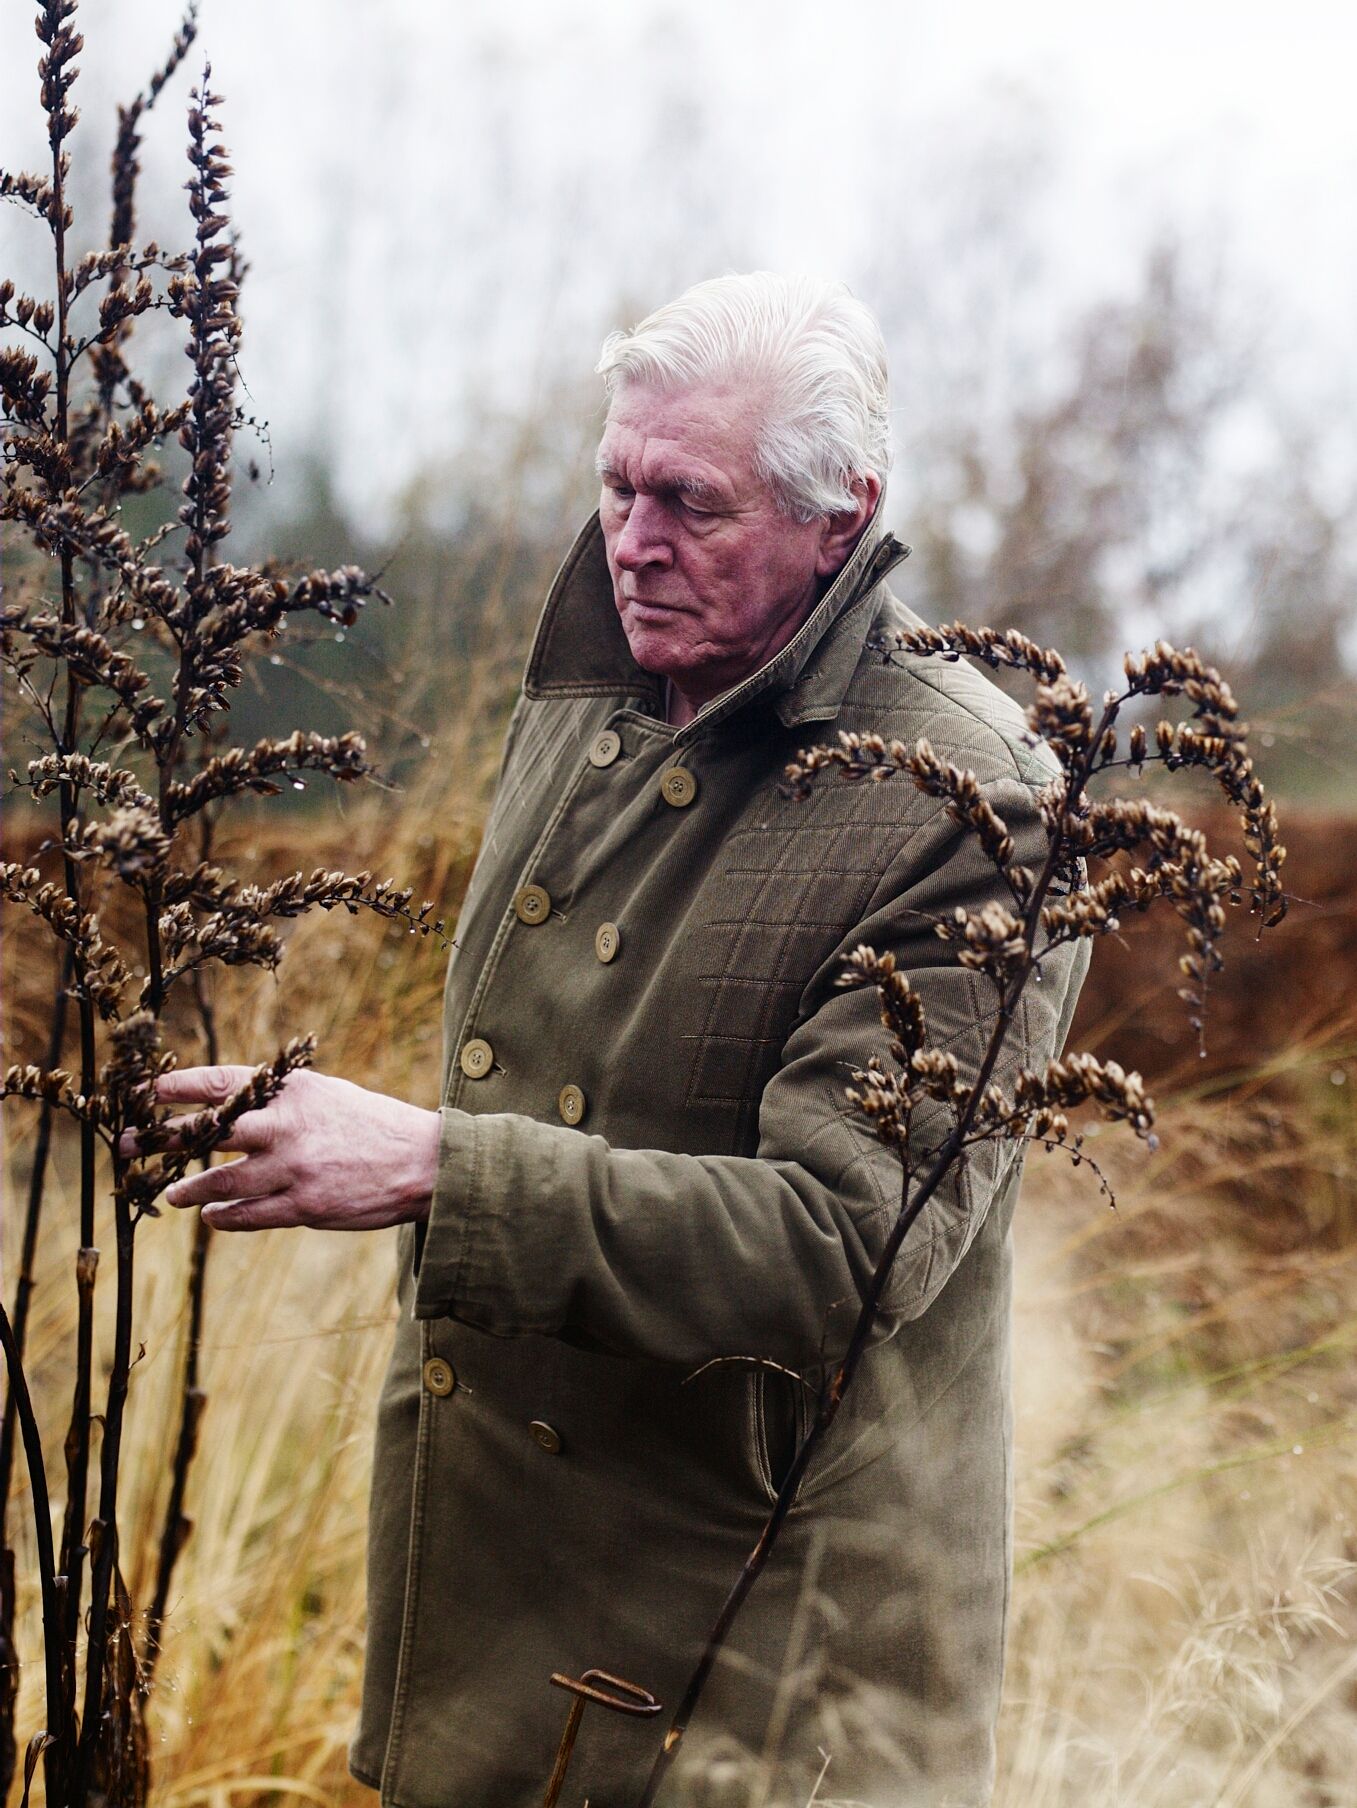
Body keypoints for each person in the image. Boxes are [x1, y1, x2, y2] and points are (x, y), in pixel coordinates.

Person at [137, 274, 1089, 1807]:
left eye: (690, 504)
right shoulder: (594, 695)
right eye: (617, 484)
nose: (632, 543)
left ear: (841, 518)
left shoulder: (971, 809)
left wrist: (438, 1171)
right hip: (500, 1610)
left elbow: (847, 1246)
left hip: (753, 1662)